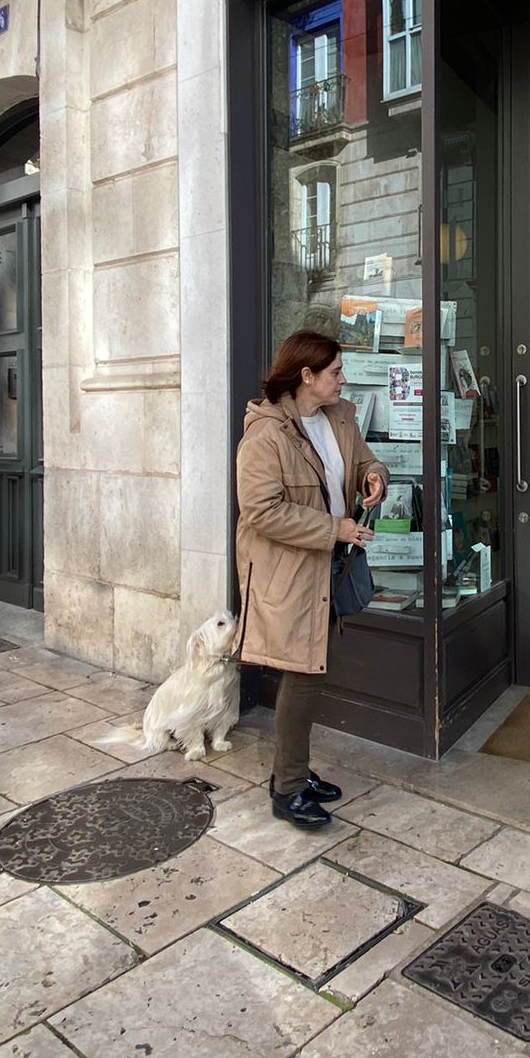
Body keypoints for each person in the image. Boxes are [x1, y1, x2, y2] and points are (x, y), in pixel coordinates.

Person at [235, 331, 388, 828]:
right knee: (303, 676)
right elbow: (260, 511)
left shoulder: (339, 416)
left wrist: (374, 478)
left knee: (311, 673)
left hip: (328, 567)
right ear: (306, 376)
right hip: (291, 573)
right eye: (336, 372)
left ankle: (296, 774)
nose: (343, 379)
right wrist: (334, 528)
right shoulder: (266, 435)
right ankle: (287, 789)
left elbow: (364, 458)